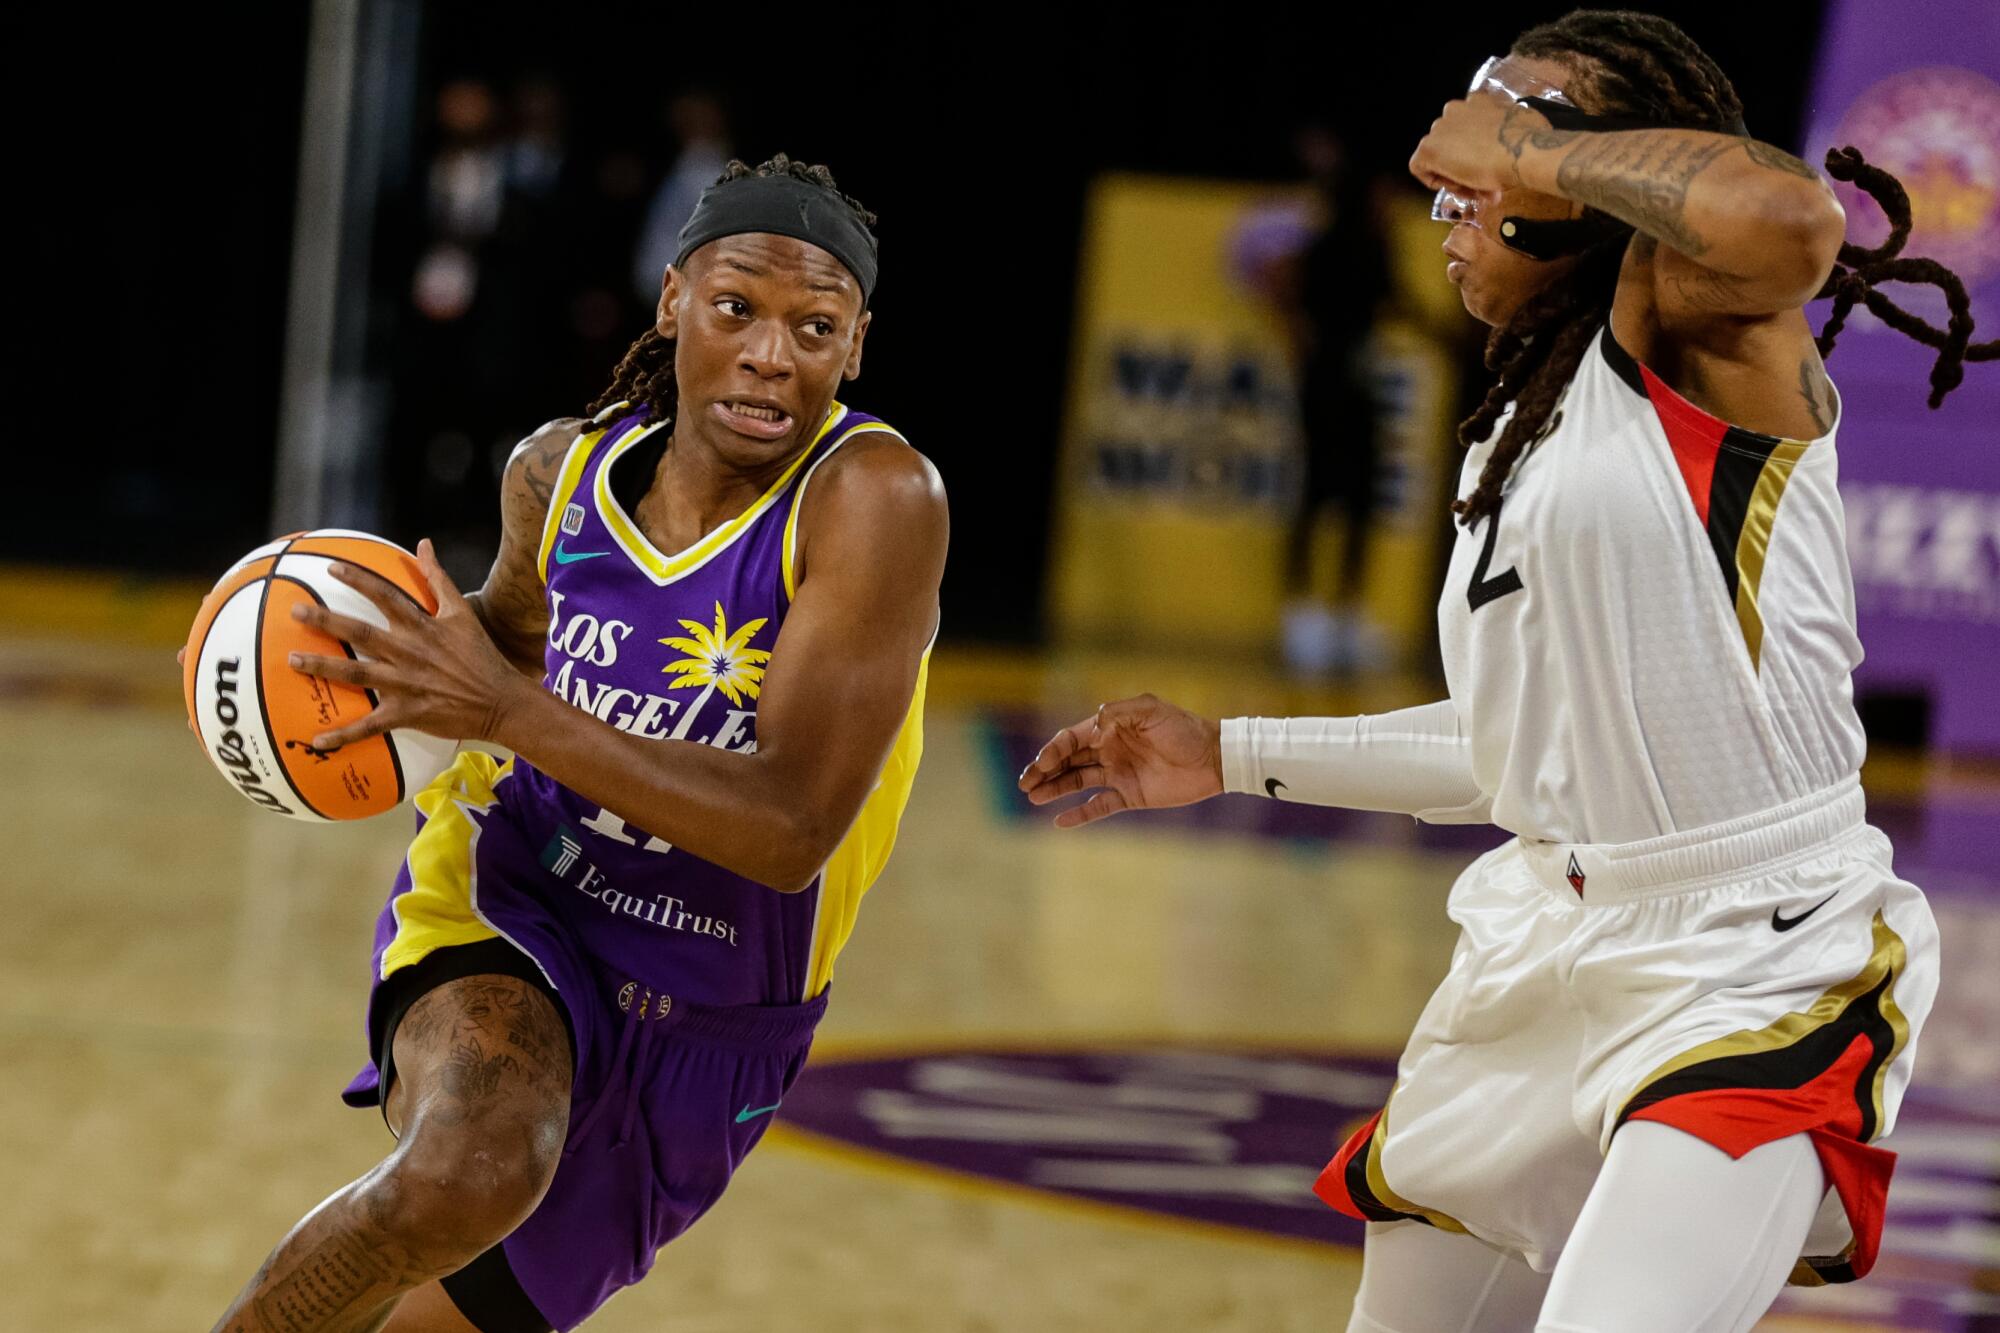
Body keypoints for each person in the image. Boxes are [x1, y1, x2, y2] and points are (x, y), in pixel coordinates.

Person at [1019, 11, 1993, 1331]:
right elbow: (1518, 747)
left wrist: (1531, 143)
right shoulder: (1510, 435)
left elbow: (1791, 224)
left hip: (1753, 955)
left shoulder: (1702, 343)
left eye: (1512, 126)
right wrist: (1230, 750)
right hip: (1547, 935)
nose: (1455, 166)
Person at [210, 154, 947, 1333]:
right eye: (735, 309)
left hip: (716, 1016)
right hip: (517, 902)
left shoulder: (874, 497)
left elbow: (790, 829)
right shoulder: (557, 474)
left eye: (816, 326)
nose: (771, 354)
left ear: (854, 346)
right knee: (470, 1167)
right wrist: (368, 684)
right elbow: (487, 664)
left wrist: (505, 708)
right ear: (671, 304)